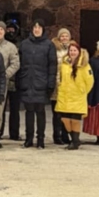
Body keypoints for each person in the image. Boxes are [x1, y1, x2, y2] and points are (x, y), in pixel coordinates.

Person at [18, 20, 59, 149]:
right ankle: (28, 139)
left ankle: (40, 139)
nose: (37, 29)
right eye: (35, 27)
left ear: (43, 29)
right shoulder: (24, 44)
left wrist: (51, 83)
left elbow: (52, 65)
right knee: (29, 112)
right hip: (27, 82)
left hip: (42, 83)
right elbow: (20, 64)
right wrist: (20, 80)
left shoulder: (49, 45)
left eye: (39, 27)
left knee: (40, 112)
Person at [54, 41, 94, 150]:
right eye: (71, 50)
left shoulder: (85, 65)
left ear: (79, 51)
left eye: (74, 50)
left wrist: (83, 91)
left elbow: (90, 81)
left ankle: (75, 141)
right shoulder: (64, 64)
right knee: (65, 119)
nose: (72, 52)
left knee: (75, 120)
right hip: (65, 96)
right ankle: (75, 139)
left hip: (77, 97)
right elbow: (60, 77)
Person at [0, 21, 20, 147]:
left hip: (2, 83)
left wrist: (4, 75)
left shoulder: (10, 47)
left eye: (1, 29)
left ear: (4, 31)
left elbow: (15, 64)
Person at [53, 28, 74, 144]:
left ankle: (66, 135)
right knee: (57, 113)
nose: (64, 38)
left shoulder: (73, 49)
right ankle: (57, 136)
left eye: (66, 36)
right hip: (56, 84)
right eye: (62, 36)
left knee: (67, 112)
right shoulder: (54, 49)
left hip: (68, 85)